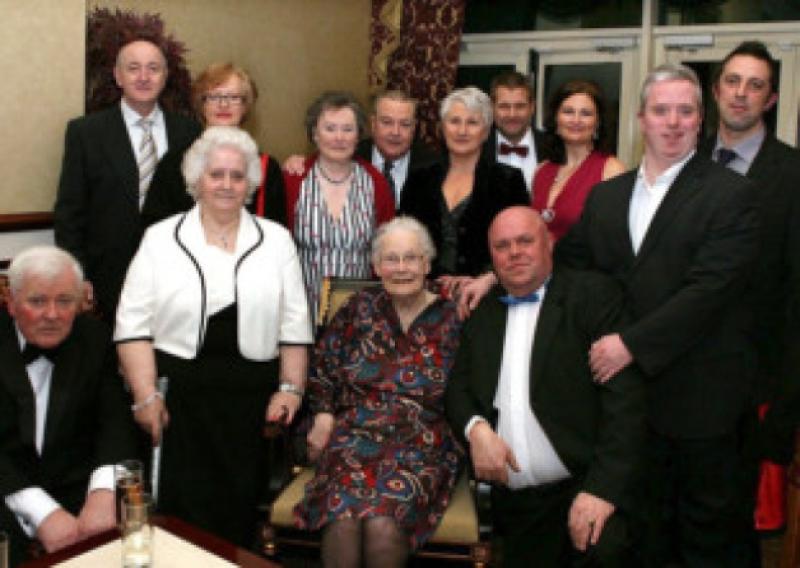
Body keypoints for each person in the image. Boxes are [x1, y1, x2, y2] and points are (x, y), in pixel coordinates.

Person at [557, 63, 759, 567]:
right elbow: (565, 265)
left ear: (700, 120)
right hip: (626, 410)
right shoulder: (607, 197)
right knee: (641, 544)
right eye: (661, 110)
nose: (673, 122)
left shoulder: (731, 194)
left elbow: (708, 292)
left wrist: (630, 344)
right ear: (641, 119)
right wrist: (495, 277)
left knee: (705, 548)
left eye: (685, 111)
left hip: (700, 408)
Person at [114, 126, 312, 548]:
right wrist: (145, 396)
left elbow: (295, 323)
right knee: (180, 512)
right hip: (178, 398)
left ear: (250, 183)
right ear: (197, 180)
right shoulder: (161, 237)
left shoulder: (275, 240)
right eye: (216, 174)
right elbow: (133, 325)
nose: (226, 184)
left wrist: (291, 389)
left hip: (250, 399)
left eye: (237, 176)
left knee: (237, 512)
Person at [445, 207, 644, 567]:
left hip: (583, 487)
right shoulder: (482, 309)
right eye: (502, 246)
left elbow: (625, 403)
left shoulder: (593, 296)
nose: (514, 252)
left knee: (605, 551)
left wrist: (600, 490)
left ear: (549, 242)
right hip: (518, 508)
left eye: (525, 241)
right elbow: (457, 389)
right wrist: (476, 430)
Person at [294, 217, 463, 567]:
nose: (401, 268)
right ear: (376, 266)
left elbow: (472, 388)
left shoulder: (454, 316)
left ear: (427, 264)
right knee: (342, 518)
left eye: (411, 258)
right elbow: (323, 367)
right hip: (353, 437)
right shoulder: (358, 308)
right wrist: (323, 415)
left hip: (423, 442)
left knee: (383, 525)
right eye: (391, 259)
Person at [1, 246, 138, 566]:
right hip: (7, 489)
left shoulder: (96, 340)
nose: (52, 314)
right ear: (11, 303)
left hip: (77, 487)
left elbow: (115, 423)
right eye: (37, 301)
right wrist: (42, 511)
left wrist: (103, 492)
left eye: (64, 301)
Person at [699, 41, 800, 465]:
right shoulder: (682, 161)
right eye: (733, 81)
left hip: (753, 392)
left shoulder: (793, 174)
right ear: (716, 90)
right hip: (676, 383)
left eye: (755, 85)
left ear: (770, 99)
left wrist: (784, 408)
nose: (741, 93)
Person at [54, 37, 201, 322]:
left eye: (153, 68)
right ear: (118, 76)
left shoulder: (189, 132)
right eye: (133, 68)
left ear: (165, 76)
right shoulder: (86, 132)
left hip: (176, 275)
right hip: (106, 280)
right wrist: (77, 275)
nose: (144, 77)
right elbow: (70, 212)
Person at [399, 86, 529, 308]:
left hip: (484, 299)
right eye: (454, 121)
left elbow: (521, 245)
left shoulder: (508, 181)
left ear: (486, 132)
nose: (462, 130)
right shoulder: (419, 179)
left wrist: (489, 278)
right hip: (422, 298)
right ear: (442, 128)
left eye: (472, 122)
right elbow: (403, 239)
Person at [283, 91, 395, 323]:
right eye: (330, 128)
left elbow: (387, 250)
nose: (339, 137)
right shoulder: (293, 179)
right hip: (300, 312)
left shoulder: (376, 182)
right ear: (315, 133)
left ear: (358, 135)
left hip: (360, 314)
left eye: (347, 129)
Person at [143, 62, 287, 227]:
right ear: (202, 105)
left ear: (245, 106)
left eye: (233, 97)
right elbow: (154, 227)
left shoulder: (267, 168)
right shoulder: (174, 162)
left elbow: (276, 232)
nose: (223, 104)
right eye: (214, 97)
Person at [284, 90, 439, 207]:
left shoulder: (434, 167)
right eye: (387, 122)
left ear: (414, 128)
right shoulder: (348, 153)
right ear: (373, 124)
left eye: (405, 124)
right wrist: (296, 163)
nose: (395, 132)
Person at [532, 80, 625, 241]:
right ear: (555, 119)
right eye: (568, 112)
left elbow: (614, 238)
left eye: (585, 113)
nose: (576, 120)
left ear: (598, 122)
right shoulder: (541, 170)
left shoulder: (611, 171)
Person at [483, 70, 547, 190]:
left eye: (520, 106)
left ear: (532, 107)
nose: (512, 115)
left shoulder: (554, 148)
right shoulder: (476, 149)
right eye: (504, 106)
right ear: (492, 108)